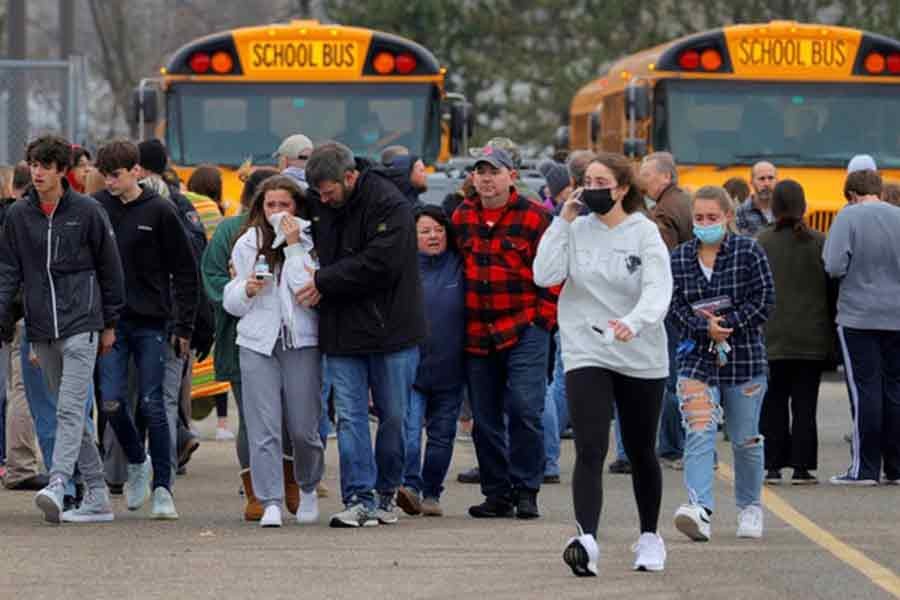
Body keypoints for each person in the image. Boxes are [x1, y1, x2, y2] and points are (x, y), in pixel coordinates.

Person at [535, 152, 672, 575]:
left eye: (601, 182)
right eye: (586, 181)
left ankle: (650, 536)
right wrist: (562, 220)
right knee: (591, 446)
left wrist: (634, 322)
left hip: (639, 351)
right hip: (586, 349)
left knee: (640, 448)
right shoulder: (574, 229)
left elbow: (657, 290)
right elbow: (544, 274)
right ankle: (586, 540)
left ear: (622, 188)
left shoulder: (644, 233)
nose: (591, 188)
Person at [0, 135, 125, 523]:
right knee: (63, 413)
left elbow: (110, 268)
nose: (36, 172)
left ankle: (58, 482)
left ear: (60, 170)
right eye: (33, 165)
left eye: (44, 166)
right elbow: (8, 270)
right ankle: (99, 495)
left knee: (71, 408)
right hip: (40, 327)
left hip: (83, 322)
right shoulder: (19, 216)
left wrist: (109, 323)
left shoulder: (87, 211)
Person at [302, 142, 426, 528]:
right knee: (351, 418)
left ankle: (387, 492)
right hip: (341, 328)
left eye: (329, 192)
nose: (324, 199)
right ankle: (358, 496)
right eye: (319, 193)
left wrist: (324, 280)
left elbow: (381, 264)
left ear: (351, 177)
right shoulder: (318, 203)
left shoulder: (391, 205)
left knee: (393, 416)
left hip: (392, 329)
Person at [94, 139, 199, 519]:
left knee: (154, 403)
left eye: (116, 175)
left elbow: (186, 271)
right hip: (111, 324)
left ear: (136, 171)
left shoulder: (160, 211)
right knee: (111, 401)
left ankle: (163, 489)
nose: (110, 182)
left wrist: (184, 325)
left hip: (153, 322)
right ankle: (137, 460)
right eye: (105, 175)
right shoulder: (98, 209)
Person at [452, 145, 557, 520]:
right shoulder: (461, 217)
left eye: (494, 171)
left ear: (511, 176)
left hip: (524, 326)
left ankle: (526, 489)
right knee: (484, 417)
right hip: (477, 330)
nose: (486, 178)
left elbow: (554, 270)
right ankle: (496, 492)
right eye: (480, 172)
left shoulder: (535, 218)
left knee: (526, 409)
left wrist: (544, 320)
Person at [669, 185, 775, 542]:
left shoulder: (749, 251)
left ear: (728, 217)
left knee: (745, 438)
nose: (705, 223)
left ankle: (750, 506)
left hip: (744, 356)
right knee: (698, 431)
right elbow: (673, 306)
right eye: (698, 218)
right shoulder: (680, 258)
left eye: (712, 217)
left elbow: (765, 300)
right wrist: (704, 328)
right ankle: (700, 508)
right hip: (697, 357)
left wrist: (728, 325)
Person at [223, 175, 325, 527]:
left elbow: (304, 289)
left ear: (297, 207)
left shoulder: (312, 241)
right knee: (262, 425)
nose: (277, 212)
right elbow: (232, 301)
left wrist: (294, 245)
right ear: (260, 208)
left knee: (303, 427)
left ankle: (308, 485)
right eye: (271, 206)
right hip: (256, 342)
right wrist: (246, 290)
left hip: (301, 341)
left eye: (284, 205)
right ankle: (270, 500)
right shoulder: (248, 243)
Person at [202, 167, 293, 521]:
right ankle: (257, 490)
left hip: (288, 337)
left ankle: (287, 482)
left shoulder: (296, 230)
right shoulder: (230, 230)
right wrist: (236, 294)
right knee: (256, 418)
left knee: (289, 417)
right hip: (244, 338)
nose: (276, 210)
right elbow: (212, 277)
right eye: (271, 202)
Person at [824, 169, 900, 485]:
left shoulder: (849, 217)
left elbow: (833, 265)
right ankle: (896, 467)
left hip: (858, 316)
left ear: (852, 194)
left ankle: (865, 468)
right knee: (894, 389)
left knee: (864, 389)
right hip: (896, 315)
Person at [757, 180, 831, 485]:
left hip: (772, 336)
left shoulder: (761, 241)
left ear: (774, 206)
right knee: (805, 404)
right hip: (811, 337)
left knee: (773, 402)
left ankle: (772, 465)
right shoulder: (819, 241)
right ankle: (802, 467)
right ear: (803, 205)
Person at [396, 205, 465, 518]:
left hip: (451, 368)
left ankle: (432, 492)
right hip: (411, 368)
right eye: (424, 231)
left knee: (442, 436)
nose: (433, 236)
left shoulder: (459, 264)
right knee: (409, 434)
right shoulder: (402, 267)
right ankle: (409, 487)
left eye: (438, 230)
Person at [640, 151, 693, 470]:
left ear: (666, 177)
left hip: (674, 303)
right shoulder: (682, 202)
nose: (642, 180)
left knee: (672, 377)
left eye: (647, 175)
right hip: (688, 300)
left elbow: (662, 260)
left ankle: (675, 446)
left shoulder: (664, 212)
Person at [735, 161, 777, 237]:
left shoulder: (785, 211)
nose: (767, 184)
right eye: (761, 179)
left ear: (777, 181)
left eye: (771, 178)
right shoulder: (740, 212)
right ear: (751, 181)